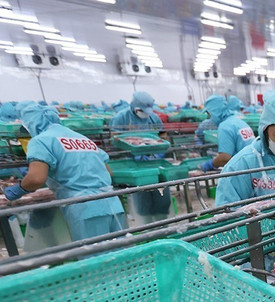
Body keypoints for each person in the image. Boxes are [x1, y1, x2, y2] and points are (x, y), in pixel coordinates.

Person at [4, 103, 125, 250]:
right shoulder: (82, 138)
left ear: (32, 123)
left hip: (85, 207)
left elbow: (36, 179)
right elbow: (108, 172)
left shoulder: (41, 141)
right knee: (122, 254)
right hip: (112, 203)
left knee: (95, 257)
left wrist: (18, 189)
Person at [110, 92, 170, 224]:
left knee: (161, 197)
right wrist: (130, 149)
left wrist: (160, 151)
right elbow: (114, 139)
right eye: (142, 111)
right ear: (134, 107)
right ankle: (146, 226)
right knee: (142, 197)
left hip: (154, 162)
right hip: (133, 164)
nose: (145, 114)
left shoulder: (153, 118)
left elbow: (163, 135)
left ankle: (164, 226)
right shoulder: (121, 118)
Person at [199, 95, 255, 172]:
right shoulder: (239, 122)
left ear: (215, 111)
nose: (209, 117)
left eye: (209, 114)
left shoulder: (225, 126)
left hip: (244, 170)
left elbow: (225, 157)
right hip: (253, 166)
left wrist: (209, 164)